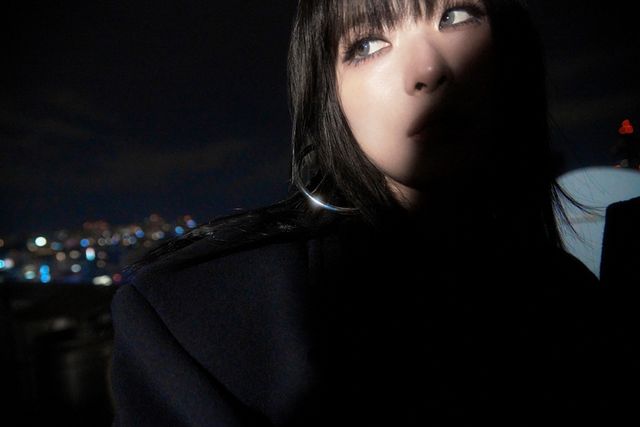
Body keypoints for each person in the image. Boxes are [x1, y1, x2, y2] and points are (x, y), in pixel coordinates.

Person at [109, 0, 632, 425]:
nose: (427, 71)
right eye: (368, 44)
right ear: (328, 99)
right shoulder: (198, 320)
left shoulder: (568, 299)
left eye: (455, 16)